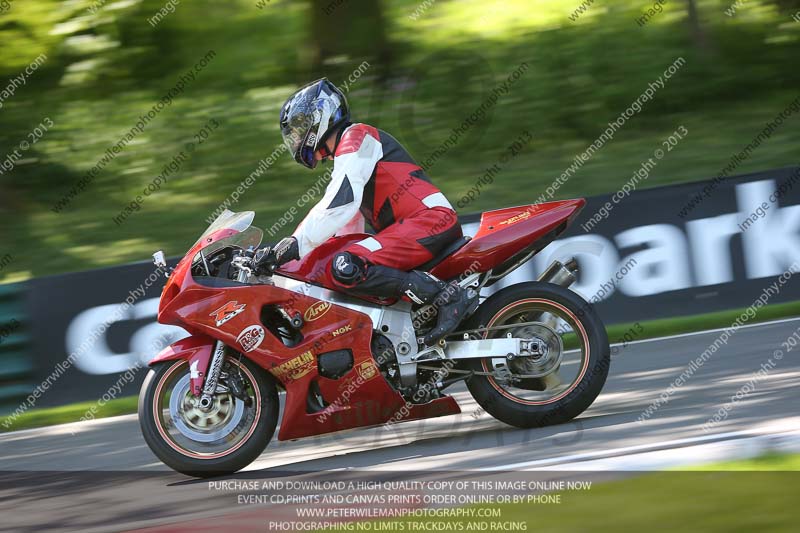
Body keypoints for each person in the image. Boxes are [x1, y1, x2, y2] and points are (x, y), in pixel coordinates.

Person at [259, 78, 477, 345]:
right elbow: (344, 228)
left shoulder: (357, 137)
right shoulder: (348, 156)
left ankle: (448, 296)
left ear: (320, 117)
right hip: (416, 228)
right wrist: (291, 266)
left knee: (345, 266)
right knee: (341, 264)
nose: (296, 138)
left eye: (300, 128)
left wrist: (292, 246)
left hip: (429, 222)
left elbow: (338, 204)